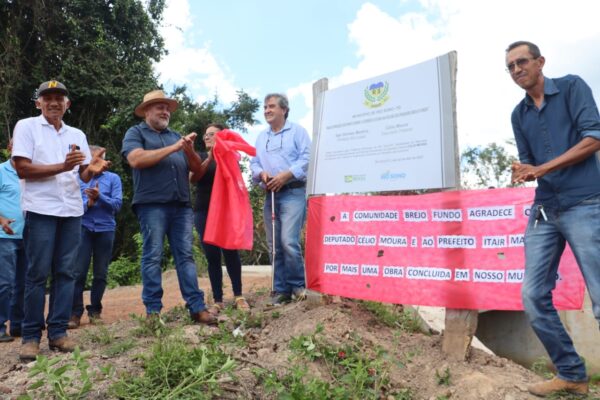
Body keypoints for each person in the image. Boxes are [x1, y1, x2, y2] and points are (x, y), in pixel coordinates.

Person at [507, 41, 600, 397]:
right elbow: (530, 163)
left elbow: (594, 137)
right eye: (510, 66)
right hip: (545, 208)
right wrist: (523, 171)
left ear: (540, 62)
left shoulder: (573, 86)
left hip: (585, 201)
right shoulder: (518, 115)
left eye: (522, 62)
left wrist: (543, 168)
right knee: (532, 296)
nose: (516, 70)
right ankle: (572, 374)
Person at [12, 80, 110, 361]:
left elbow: (81, 174)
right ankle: (31, 337)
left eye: (59, 98)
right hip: (41, 210)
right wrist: (63, 166)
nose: (54, 102)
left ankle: (57, 333)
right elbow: (22, 169)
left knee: (67, 273)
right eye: (48, 98)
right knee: (37, 274)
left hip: (71, 211)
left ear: (67, 104)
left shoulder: (76, 134)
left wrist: (92, 170)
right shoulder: (26, 127)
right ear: (38, 103)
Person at [121, 90, 216, 325]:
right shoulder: (135, 133)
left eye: (167, 108)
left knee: (186, 256)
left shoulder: (175, 136)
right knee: (152, 256)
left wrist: (190, 150)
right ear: (146, 111)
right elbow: (136, 159)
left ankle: (197, 308)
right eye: (159, 107)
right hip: (151, 204)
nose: (165, 112)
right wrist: (174, 148)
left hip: (181, 205)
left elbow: (196, 170)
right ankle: (153, 312)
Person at [249, 93, 311, 305]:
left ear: (284, 110)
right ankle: (281, 290)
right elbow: (254, 163)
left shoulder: (298, 131)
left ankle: (298, 286)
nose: (267, 110)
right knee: (274, 245)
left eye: (272, 106)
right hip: (271, 195)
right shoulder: (261, 137)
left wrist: (286, 175)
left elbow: (307, 158)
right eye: (265, 107)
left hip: (293, 192)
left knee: (288, 241)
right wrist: (261, 174)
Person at [191, 123, 249, 314]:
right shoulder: (199, 156)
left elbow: (235, 184)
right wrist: (210, 157)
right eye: (205, 134)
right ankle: (218, 300)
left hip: (226, 212)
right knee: (212, 256)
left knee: (231, 252)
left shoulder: (230, 157)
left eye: (211, 134)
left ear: (222, 136)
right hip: (203, 211)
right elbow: (193, 177)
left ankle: (239, 295)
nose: (206, 137)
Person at [69, 145, 122, 328]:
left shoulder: (113, 178)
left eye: (100, 158)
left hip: (106, 229)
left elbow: (117, 205)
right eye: (93, 158)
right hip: (83, 228)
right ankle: (75, 313)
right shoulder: (78, 179)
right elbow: (72, 205)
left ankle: (95, 311)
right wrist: (88, 204)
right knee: (78, 272)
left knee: (101, 273)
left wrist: (100, 197)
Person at [0, 140, 26, 342]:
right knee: (5, 283)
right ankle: (0, 326)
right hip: (5, 236)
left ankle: (18, 325)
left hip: (30, 235)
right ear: (10, 148)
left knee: (25, 283)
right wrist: (1, 219)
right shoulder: (1, 170)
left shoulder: (31, 172)